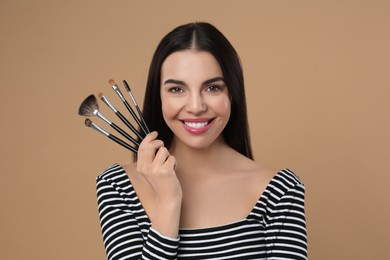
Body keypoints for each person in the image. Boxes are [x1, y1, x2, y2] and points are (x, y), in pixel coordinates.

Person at [96, 22, 307, 259]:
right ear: (159, 97)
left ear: (232, 94)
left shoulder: (280, 190)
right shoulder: (118, 186)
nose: (196, 107)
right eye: (177, 89)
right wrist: (168, 202)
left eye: (212, 87)